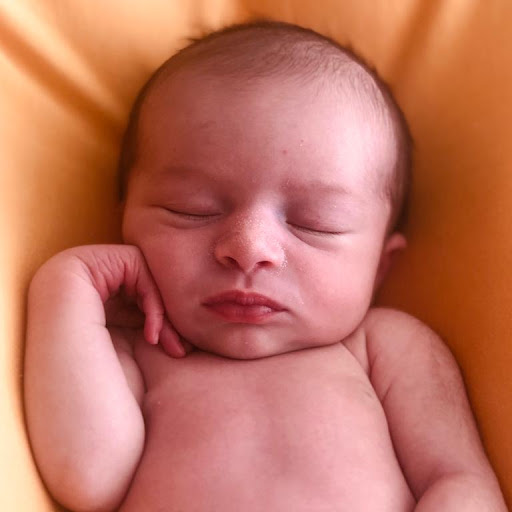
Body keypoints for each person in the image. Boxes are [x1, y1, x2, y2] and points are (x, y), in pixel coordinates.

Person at [24, 21, 506, 511]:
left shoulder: (386, 349)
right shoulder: (131, 352)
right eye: (191, 209)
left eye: (315, 223)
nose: (249, 248)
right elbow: (88, 480)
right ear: (124, 221)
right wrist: (70, 284)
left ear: (379, 266)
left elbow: (461, 482)